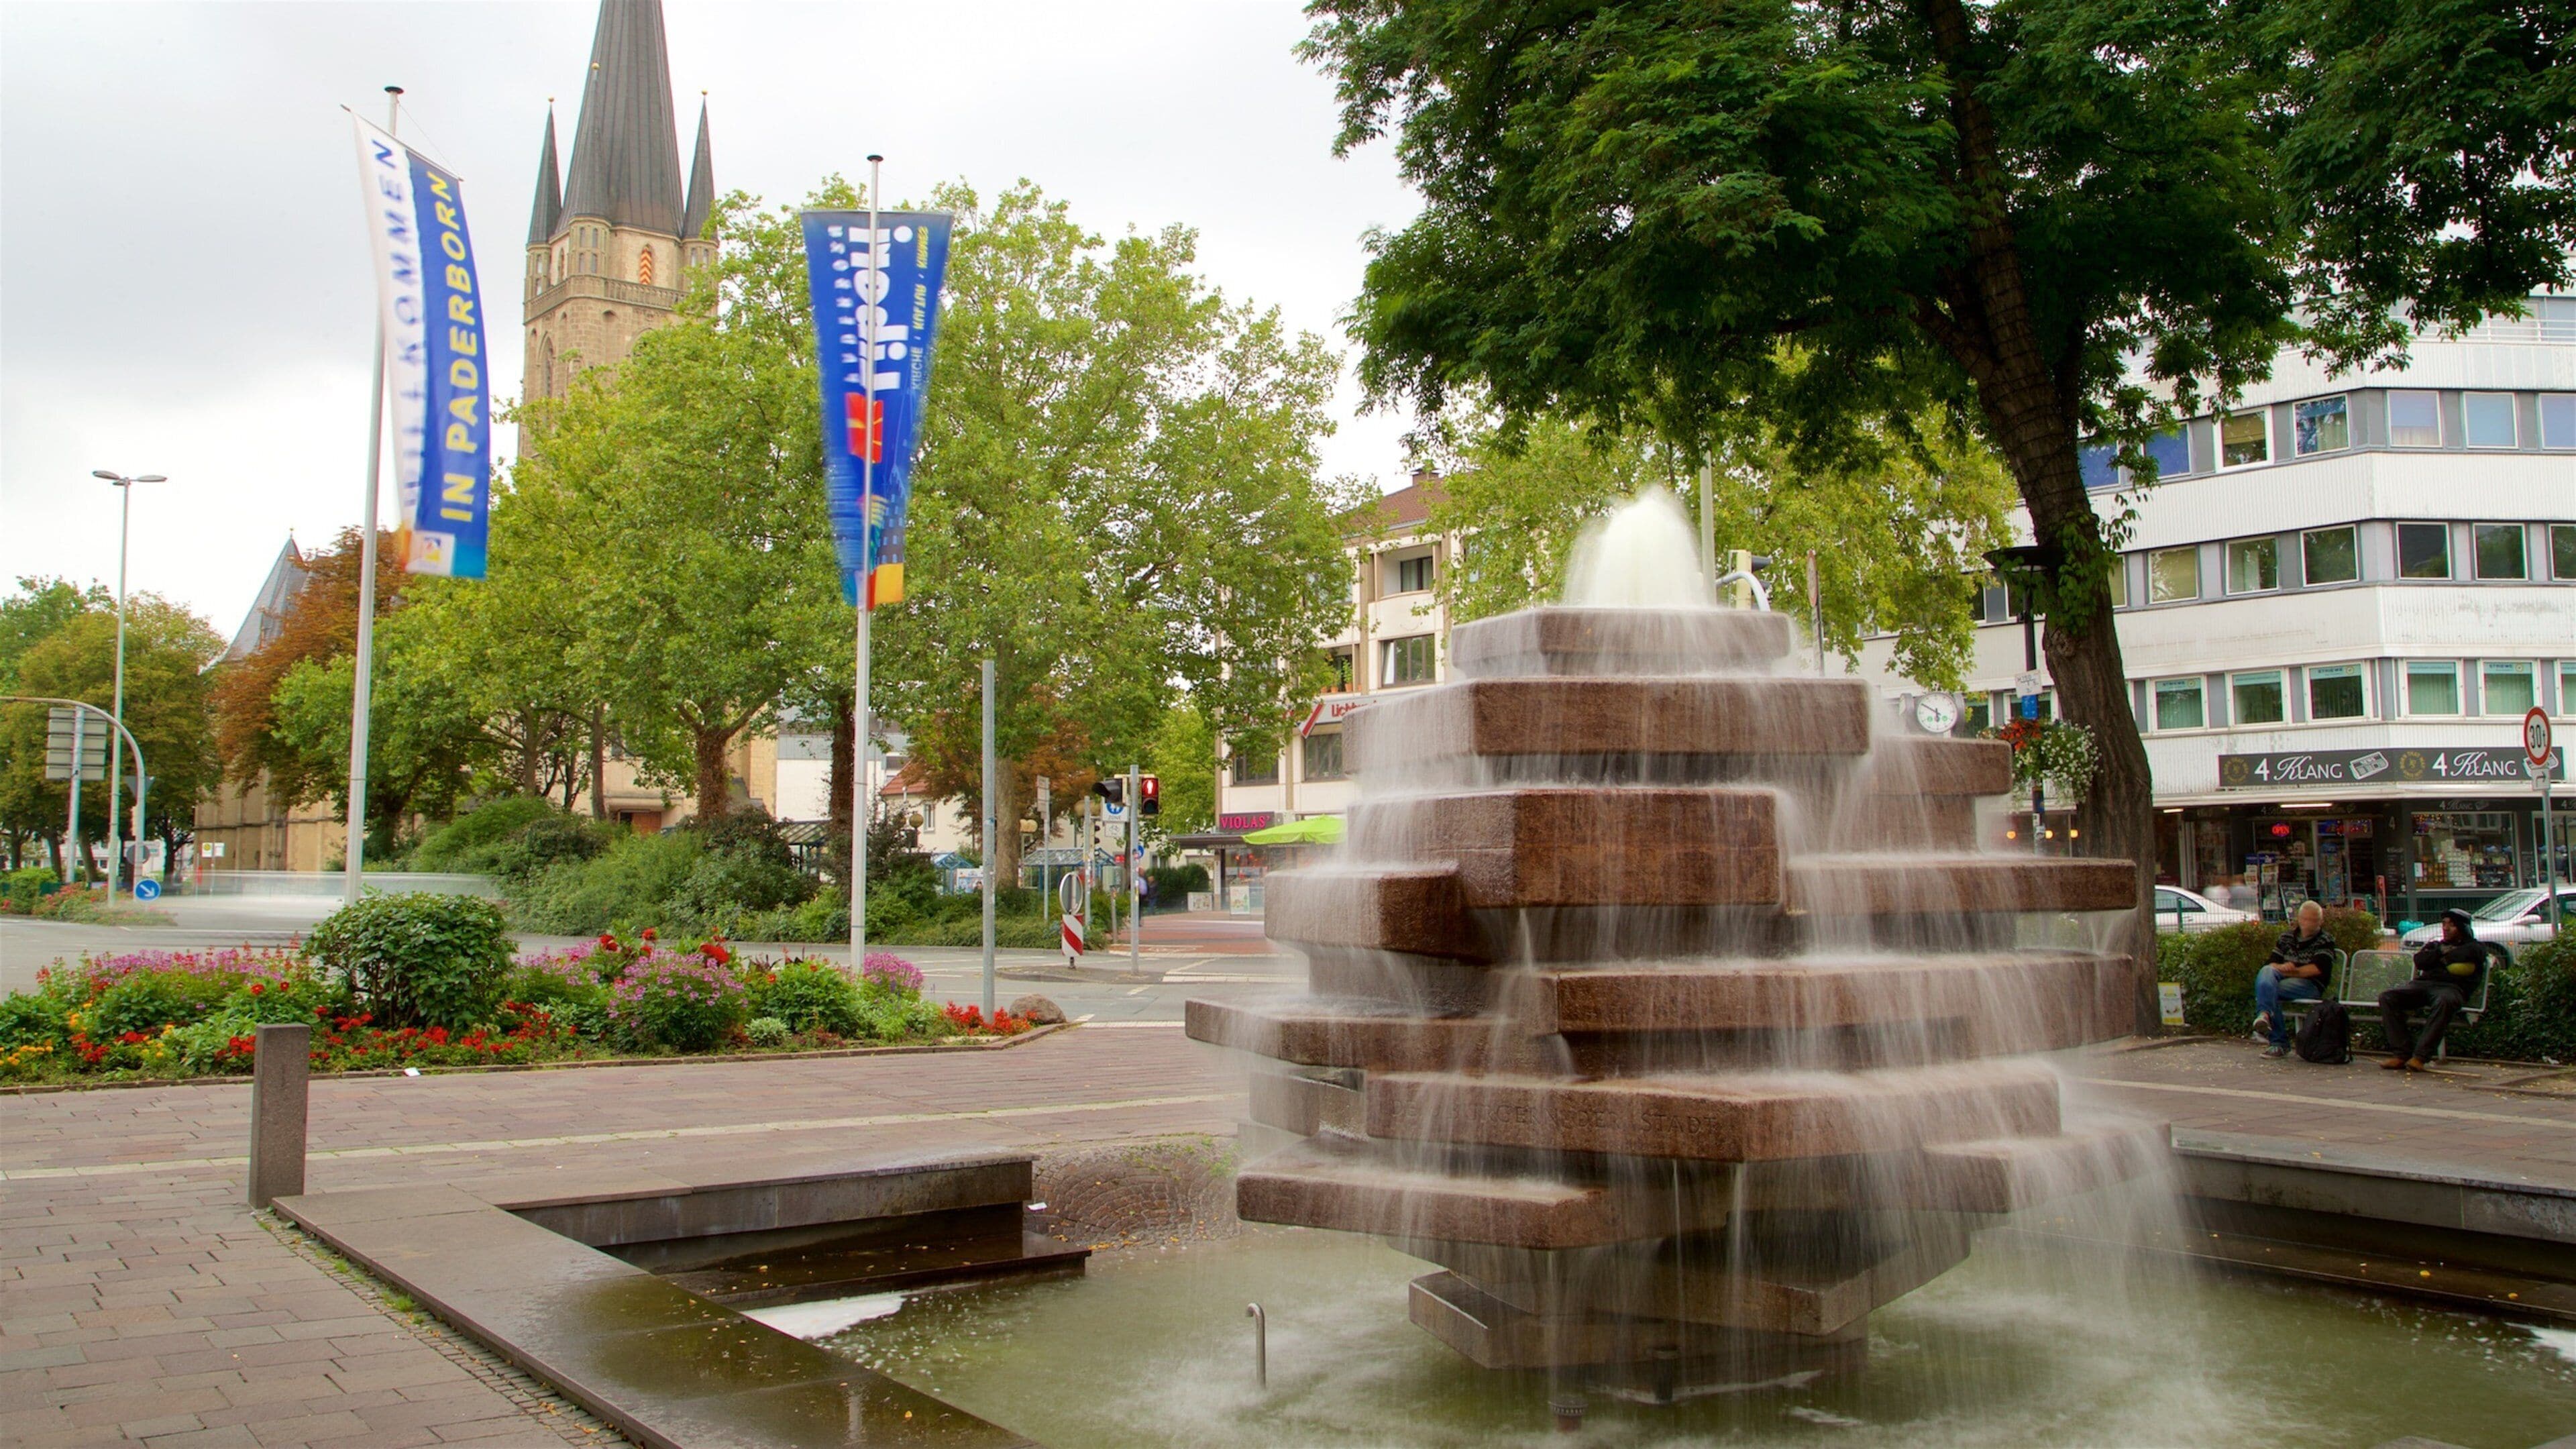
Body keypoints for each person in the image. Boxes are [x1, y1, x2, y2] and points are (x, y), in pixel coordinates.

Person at [2379, 908, 2487, 1071]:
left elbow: (2474, 953)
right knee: (2388, 997)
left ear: (2463, 928)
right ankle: (2401, 1054)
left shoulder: (2474, 947)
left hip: (2451, 989)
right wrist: (2442, 955)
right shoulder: (2436, 945)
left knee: (2445, 1002)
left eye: (2452, 925)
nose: (2446, 928)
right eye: (2444, 924)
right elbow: (2421, 960)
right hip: (2423, 986)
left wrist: (2444, 959)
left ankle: (2420, 1057)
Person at [2250, 901, 2336, 1059]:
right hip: (2283, 980)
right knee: (2267, 974)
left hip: (2310, 985)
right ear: (2299, 919)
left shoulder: (2325, 939)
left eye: (2314, 920)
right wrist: (2281, 968)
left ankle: (2277, 1040)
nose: (2309, 923)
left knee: (2268, 989)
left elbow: (2317, 969)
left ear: (2320, 922)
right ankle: (2265, 1017)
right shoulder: (2286, 938)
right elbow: (2271, 963)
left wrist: (2291, 971)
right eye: (2305, 919)